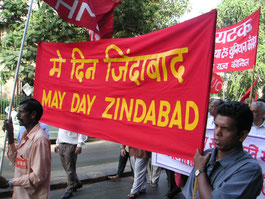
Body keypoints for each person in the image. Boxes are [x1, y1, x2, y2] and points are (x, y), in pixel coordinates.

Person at [181, 101, 263, 199]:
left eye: (225, 129)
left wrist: (200, 171)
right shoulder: (205, 155)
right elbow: (188, 193)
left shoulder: (249, 170)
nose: (217, 133)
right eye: (216, 126)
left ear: (242, 135)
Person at [0, 98, 51, 199]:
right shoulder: (25, 135)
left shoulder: (39, 139)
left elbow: (38, 176)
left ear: (33, 115)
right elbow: (15, 160)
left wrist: (9, 183)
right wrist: (10, 136)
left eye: (21, 112)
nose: (18, 116)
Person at [55, 128, 86, 199]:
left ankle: (69, 190)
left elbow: (81, 131)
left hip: (71, 145)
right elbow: (60, 131)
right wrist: (57, 143)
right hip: (61, 144)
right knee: (66, 167)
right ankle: (77, 183)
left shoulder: (76, 118)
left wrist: (79, 145)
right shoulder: (62, 119)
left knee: (70, 169)